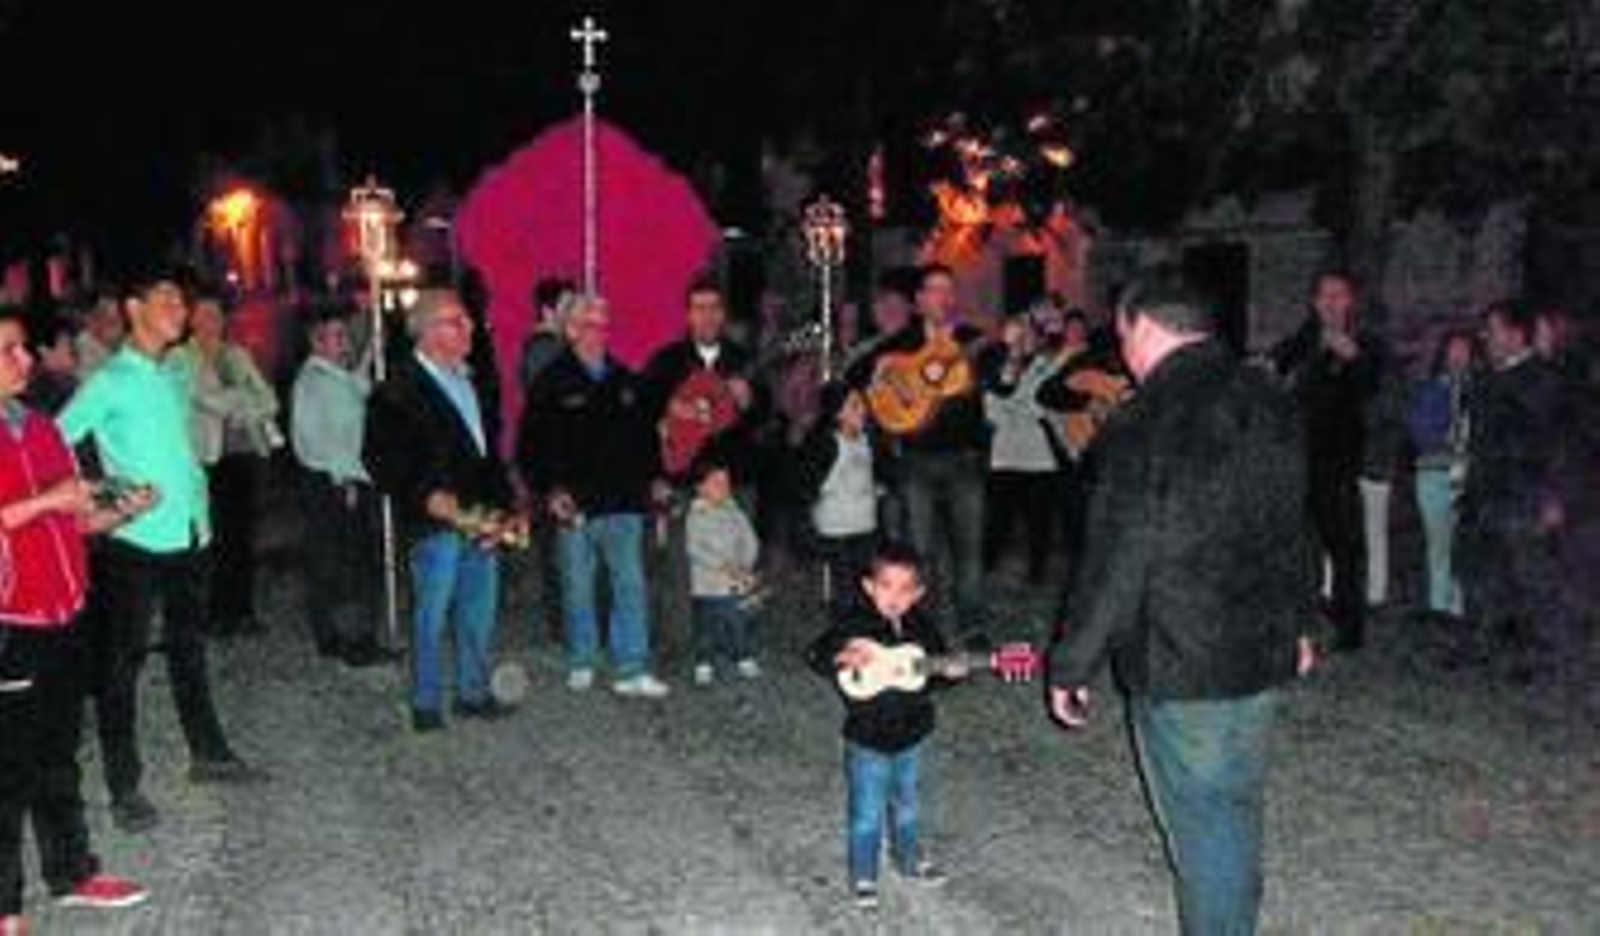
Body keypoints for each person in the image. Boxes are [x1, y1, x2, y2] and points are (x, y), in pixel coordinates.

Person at [1048, 276, 1318, 936]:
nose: (1123, 353)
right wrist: (1304, 621)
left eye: (1121, 337)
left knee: (1204, 823)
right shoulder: (1270, 396)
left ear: (1142, 327)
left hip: (1182, 655)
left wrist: (1071, 664)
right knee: (1235, 805)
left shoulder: (1144, 419)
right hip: (1260, 644)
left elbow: (1120, 554)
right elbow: (1294, 520)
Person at [59, 277, 268, 835]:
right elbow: (56, 443)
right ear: (133, 308)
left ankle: (209, 752)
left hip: (189, 532)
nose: (181, 311)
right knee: (121, 665)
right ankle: (124, 786)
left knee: (189, 648)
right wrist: (108, 492)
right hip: (134, 541)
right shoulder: (109, 381)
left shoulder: (177, 368)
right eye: (168, 301)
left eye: (183, 301)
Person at [1, 306, 151, 932]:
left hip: (65, 612)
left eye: (23, 348)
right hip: (12, 620)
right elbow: (30, 512)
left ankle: (71, 872)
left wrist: (120, 513)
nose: (25, 359)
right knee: (7, 769)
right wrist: (48, 502)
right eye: (8, 349)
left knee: (60, 752)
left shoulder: (39, 427)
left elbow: (73, 520)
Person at [363, 288, 524, 732]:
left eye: (467, 321)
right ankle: (426, 700)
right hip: (435, 520)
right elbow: (380, 456)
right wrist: (424, 495)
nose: (469, 328)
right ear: (429, 330)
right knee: (432, 612)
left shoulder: (472, 381)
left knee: (479, 607)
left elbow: (487, 456)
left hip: (479, 515)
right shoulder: (398, 388)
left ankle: (472, 691)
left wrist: (506, 507)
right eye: (457, 321)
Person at [517, 294, 670, 699]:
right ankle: (583, 659)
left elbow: (645, 439)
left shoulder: (624, 380)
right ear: (570, 330)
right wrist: (550, 489)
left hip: (623, 501)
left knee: (630, 584)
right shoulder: (551, 382)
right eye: (589, 324)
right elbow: (530, 447)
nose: (598, 332)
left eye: (603, 324)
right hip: (576, 504)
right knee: (578, 584)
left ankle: (631, 665)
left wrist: (654, 478)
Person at [806, 541, 963, 911]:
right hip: (867, 739)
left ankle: (908, 859)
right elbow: (814, 655)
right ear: (869, 586)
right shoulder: (852, 623)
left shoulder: (923, 629)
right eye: (886, 585)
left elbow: (932, 678)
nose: (895, 596)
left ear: (918, 593)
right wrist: (841, 655)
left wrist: (953, 673)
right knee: (867, 812)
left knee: (908, 805)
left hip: (912, 735)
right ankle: (864, 873)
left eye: (906, 589)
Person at [850, 264, 991, 648]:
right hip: (915, 460)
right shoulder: (902, 343)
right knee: (919, 551)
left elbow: (1003, 377)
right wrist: (893, 379)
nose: (944, 297)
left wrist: (1013, 351)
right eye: (935, 289)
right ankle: (920, 628)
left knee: (970, 548)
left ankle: (972, 626)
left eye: (949, 289)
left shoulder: (972, 340)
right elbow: (859, 375)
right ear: (919, 300)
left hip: (965, 458)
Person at [1453, 300, 1568, 690]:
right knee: (1479, 575)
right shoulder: (1486, 379)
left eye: (1492, 329)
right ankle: (1478, 644)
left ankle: (1539, 658)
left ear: (1517, 334)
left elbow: (1559, 443)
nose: (1485, 337)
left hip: (1523, 496)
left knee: (1531, 580)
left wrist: (1553, 496)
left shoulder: (1543, 378)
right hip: (1482, 495)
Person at [1270, 270, 1384, 651]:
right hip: (1297, 462)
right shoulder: (1300, 343)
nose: (1332, 302)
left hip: (1338, 464)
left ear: (1350, 301)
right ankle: (1299, 622)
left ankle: (1350, 630)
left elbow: (1373, 389)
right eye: (1325, 296)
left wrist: (1354, 359)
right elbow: (1274, 374)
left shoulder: (1365, 344)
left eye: (1340, 295)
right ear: (1315, 302)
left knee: (1346, 547)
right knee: (1298, 547)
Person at [289, 308, 388, 666]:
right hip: (332, 481)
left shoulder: (336, 377)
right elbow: (311, 439)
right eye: (338, 336)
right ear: (317, 341)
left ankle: (338, 634)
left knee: (346, 558)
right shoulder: (312, 382)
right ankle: (352, 639)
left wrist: (370, 350)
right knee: (344, 561)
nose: (345, 342)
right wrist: (341, 476)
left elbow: (360, 387)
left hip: (346, 478)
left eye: (346, 335)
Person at [182, 294, 282, 637]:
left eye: (217, 313)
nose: (213, 320)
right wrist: (241, 401)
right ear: (191, 319)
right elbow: (200, 400)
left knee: (242, 537)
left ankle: (242, 610)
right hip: (205, 458)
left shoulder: (237, 354)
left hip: (242, 456)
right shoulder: (182, 359)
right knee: (211, 539)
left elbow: (268, 399)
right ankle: (213, 612)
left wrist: (240, 405)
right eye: (205, 313)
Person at [981, 313, 1065, 584]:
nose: (1024, 340)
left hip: (1040, 458)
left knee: (1039, 523)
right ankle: (986, 568)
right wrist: (1018, 403)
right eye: (1019, 335)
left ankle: (1036, 575)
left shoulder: (1049, 366)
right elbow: (991, 411)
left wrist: (1015, 406)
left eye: (1029, 334)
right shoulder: (996, 367)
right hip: (1004, 456)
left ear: (1039, 338)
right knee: (997, 521)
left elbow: (1043, 406)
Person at [1407, 328, 1481, 619]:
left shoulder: (1482, 390)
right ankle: (1439, 611)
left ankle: (1459, 608)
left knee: (1464, 547)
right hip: (1434, 476)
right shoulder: (1431, 389)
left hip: (1469, 477)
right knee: (1439, 547)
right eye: (1453, 349)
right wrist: (1448, 433)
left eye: (1464, 349)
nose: (1459, 355)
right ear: (1443, 353)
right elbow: (1419, 433)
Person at [795, 382, 882, 617]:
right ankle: (844, 638)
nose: (863, 409)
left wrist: (879, 487)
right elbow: (804, 485)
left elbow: (876, 473)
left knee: (867, 587)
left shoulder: (867, 439)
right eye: (854, 405)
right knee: (846, 592)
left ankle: (864, 632)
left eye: (862, 403)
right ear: (838, 413)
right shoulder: (826, 443)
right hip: (838, 530)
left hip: (867, 526)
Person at [684, 454, 762, 686]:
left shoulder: (735, 512)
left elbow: (751, 540)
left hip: (736, 582)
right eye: (717, 483)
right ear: (701, 488)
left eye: (727, 483)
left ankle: (743, 654)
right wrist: (723, 565)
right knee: (705, 627)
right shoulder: (696, 515)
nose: (725, 488)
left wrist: (745, 564)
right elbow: (695, 548)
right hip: (707, 585)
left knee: (739, 620)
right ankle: (703, 661)